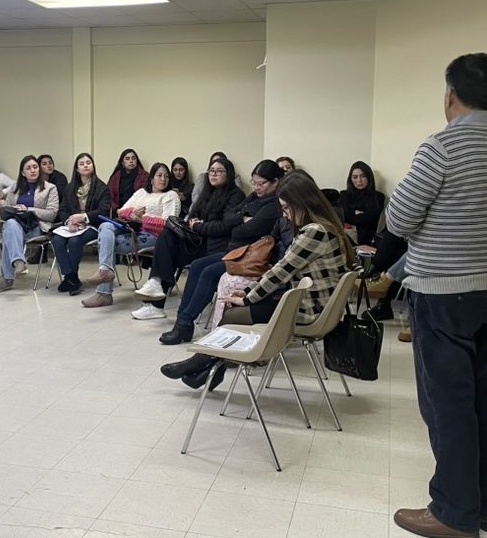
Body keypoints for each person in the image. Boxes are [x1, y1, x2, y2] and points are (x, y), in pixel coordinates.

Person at [388, 53, 487, 538]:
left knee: (447, 405)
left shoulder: (441, 148)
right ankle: (485, 506)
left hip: (445, 294)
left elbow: (399, 220)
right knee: (482, 401)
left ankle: (454, 513)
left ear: (450, 94)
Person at [160, 171, 352, 390]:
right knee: (238, 306)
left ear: (303, 203)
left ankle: (205, 364)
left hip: (309, 311)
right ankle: (208, 368)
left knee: (233, 313)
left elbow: (281, 271)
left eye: (287, 208)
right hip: (319, 307)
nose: (286, 215)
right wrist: (251, 293)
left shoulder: (313, 232)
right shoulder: (329, 227)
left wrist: (249, 296)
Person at [153, 159, 286, 345]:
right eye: (254, 182)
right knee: (198, 265)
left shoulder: (273, 205)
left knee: (208, 272)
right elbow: (231, 218)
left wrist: (236, 222)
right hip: (235, 251)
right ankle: (182, 321)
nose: (256, 187)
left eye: (262, 183)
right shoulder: (254, 198)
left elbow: (242, 230)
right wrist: (241, 218)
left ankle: (184, 323)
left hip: (250, 256)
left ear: (275, 182)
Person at [131, 157, 245, 322]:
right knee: (166, 239)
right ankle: (155, 292)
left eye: (219, 171)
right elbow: (192, 217)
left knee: (167, 254)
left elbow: (224, 226)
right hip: (198, 241)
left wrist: (200, 226)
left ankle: (156, 302)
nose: (214, 174)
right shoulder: (207, 191)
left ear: (229, 174)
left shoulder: (236, 195)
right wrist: (196, 225)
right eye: (211, 171)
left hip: (215, 247)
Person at [79, 162, 180, 308]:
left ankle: (104, 293)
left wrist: (143, 219)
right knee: (105, 226)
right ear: (151, 178)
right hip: (131, 227)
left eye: (166, 176)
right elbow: (121, 211)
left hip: (154, 235)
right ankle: (105, 271)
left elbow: (168, 223)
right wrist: (133, 214)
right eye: (159, 175)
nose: (163, 179)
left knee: (109, 242)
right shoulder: (141, 193)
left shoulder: (171, 195)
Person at [0, 155, 60, 293]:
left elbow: (52, 214)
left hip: (37, 227)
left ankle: (8, 278)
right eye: (28, 168)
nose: (33, 170)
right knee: (10, 224)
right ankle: (19, 261)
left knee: (9, 233)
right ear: (22, 172)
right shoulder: (15, 187)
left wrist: (28, 209)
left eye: (35, 167)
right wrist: (12, 209)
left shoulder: (50, 188)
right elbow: (7, 207)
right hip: (17, 225)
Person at [51, 153, 111, 295]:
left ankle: (70, 279)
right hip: (72, 225)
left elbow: (103, 210)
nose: (85, 165)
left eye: (88, 162)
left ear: (93, 166)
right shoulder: (70, 188)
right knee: (57, 240)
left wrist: (84, 217)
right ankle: (71, 277)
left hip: (93, 225)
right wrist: (69, 221)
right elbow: (63, 209)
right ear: (77, 169)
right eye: (82, 163)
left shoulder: (102, 187)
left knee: (74, 241)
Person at [336, 161, 385, 246]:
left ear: (369, 177)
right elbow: (345, 216)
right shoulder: (344, 195)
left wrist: (354, 214)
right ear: (350, 179)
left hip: (368, 240)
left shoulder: (378, 197)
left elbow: (371, 218)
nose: (359, 181)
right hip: (347, 239)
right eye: (355, 177)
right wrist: (362, 214)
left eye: (363, 176)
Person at [107, 148, 149, 214]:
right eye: (127, 159)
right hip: (118, 213)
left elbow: (147, 196)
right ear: (122, 162)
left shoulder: (144, 176)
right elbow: (108, 196)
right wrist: (117, 210)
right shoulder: (116, 177)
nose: (131, 161)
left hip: (137, 213)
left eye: (133, 158)